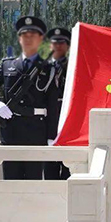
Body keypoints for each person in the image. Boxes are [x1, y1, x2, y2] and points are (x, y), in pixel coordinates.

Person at [0, 16, 54, 180]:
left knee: (33, 181)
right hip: (11, 131)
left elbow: (53, 104)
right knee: (11, 180)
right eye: (24, 35)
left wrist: (51, 135)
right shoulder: (7, 65)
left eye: (33, 36)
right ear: (19, 39)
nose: (28, 39)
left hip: (36, 132)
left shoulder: (49, 68)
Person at [44, 27, 71, 181]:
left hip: (68, 121)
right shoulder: (42, 67)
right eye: (55, 43)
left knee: (69, 168)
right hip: (48, 123)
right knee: (49, 168)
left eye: (62, 43)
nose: (58, 46)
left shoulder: (74, 67)